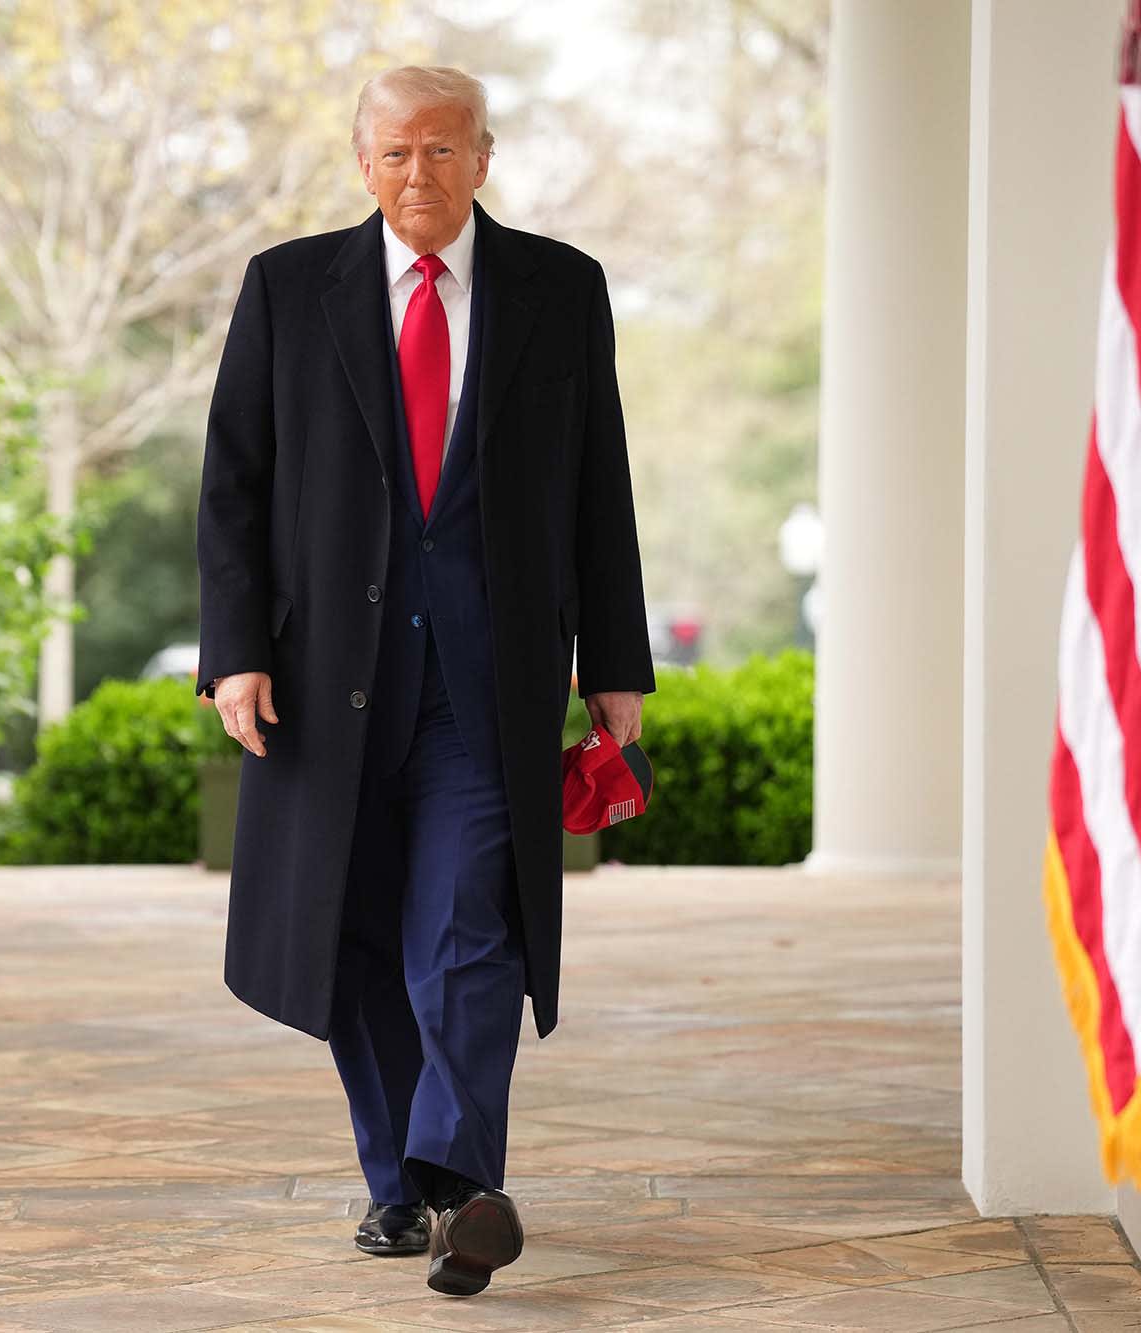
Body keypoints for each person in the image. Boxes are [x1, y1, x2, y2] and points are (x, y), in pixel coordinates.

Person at [195, 63, 654, 1297]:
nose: (418, 175)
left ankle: (456, 1180)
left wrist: (615, 664)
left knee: (463, 927)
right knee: (351, 937)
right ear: (363, 166)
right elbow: (233, 479)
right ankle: (400, 1185)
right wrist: (231, 651)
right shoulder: (289, 289)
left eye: (441, 151)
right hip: (321, 681)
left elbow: (597, 482)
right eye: (394, 154)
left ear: (483, 159)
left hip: (484, 683)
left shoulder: (559, 291)